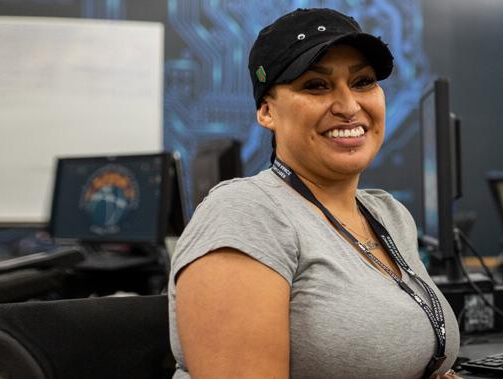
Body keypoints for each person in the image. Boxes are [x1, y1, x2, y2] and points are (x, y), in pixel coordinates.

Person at [168, 8, 460, 379]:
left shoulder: (388, 214)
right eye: (316, 86)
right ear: (266, 111)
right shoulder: (245, 213)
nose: (349, 106)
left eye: (363, 81)